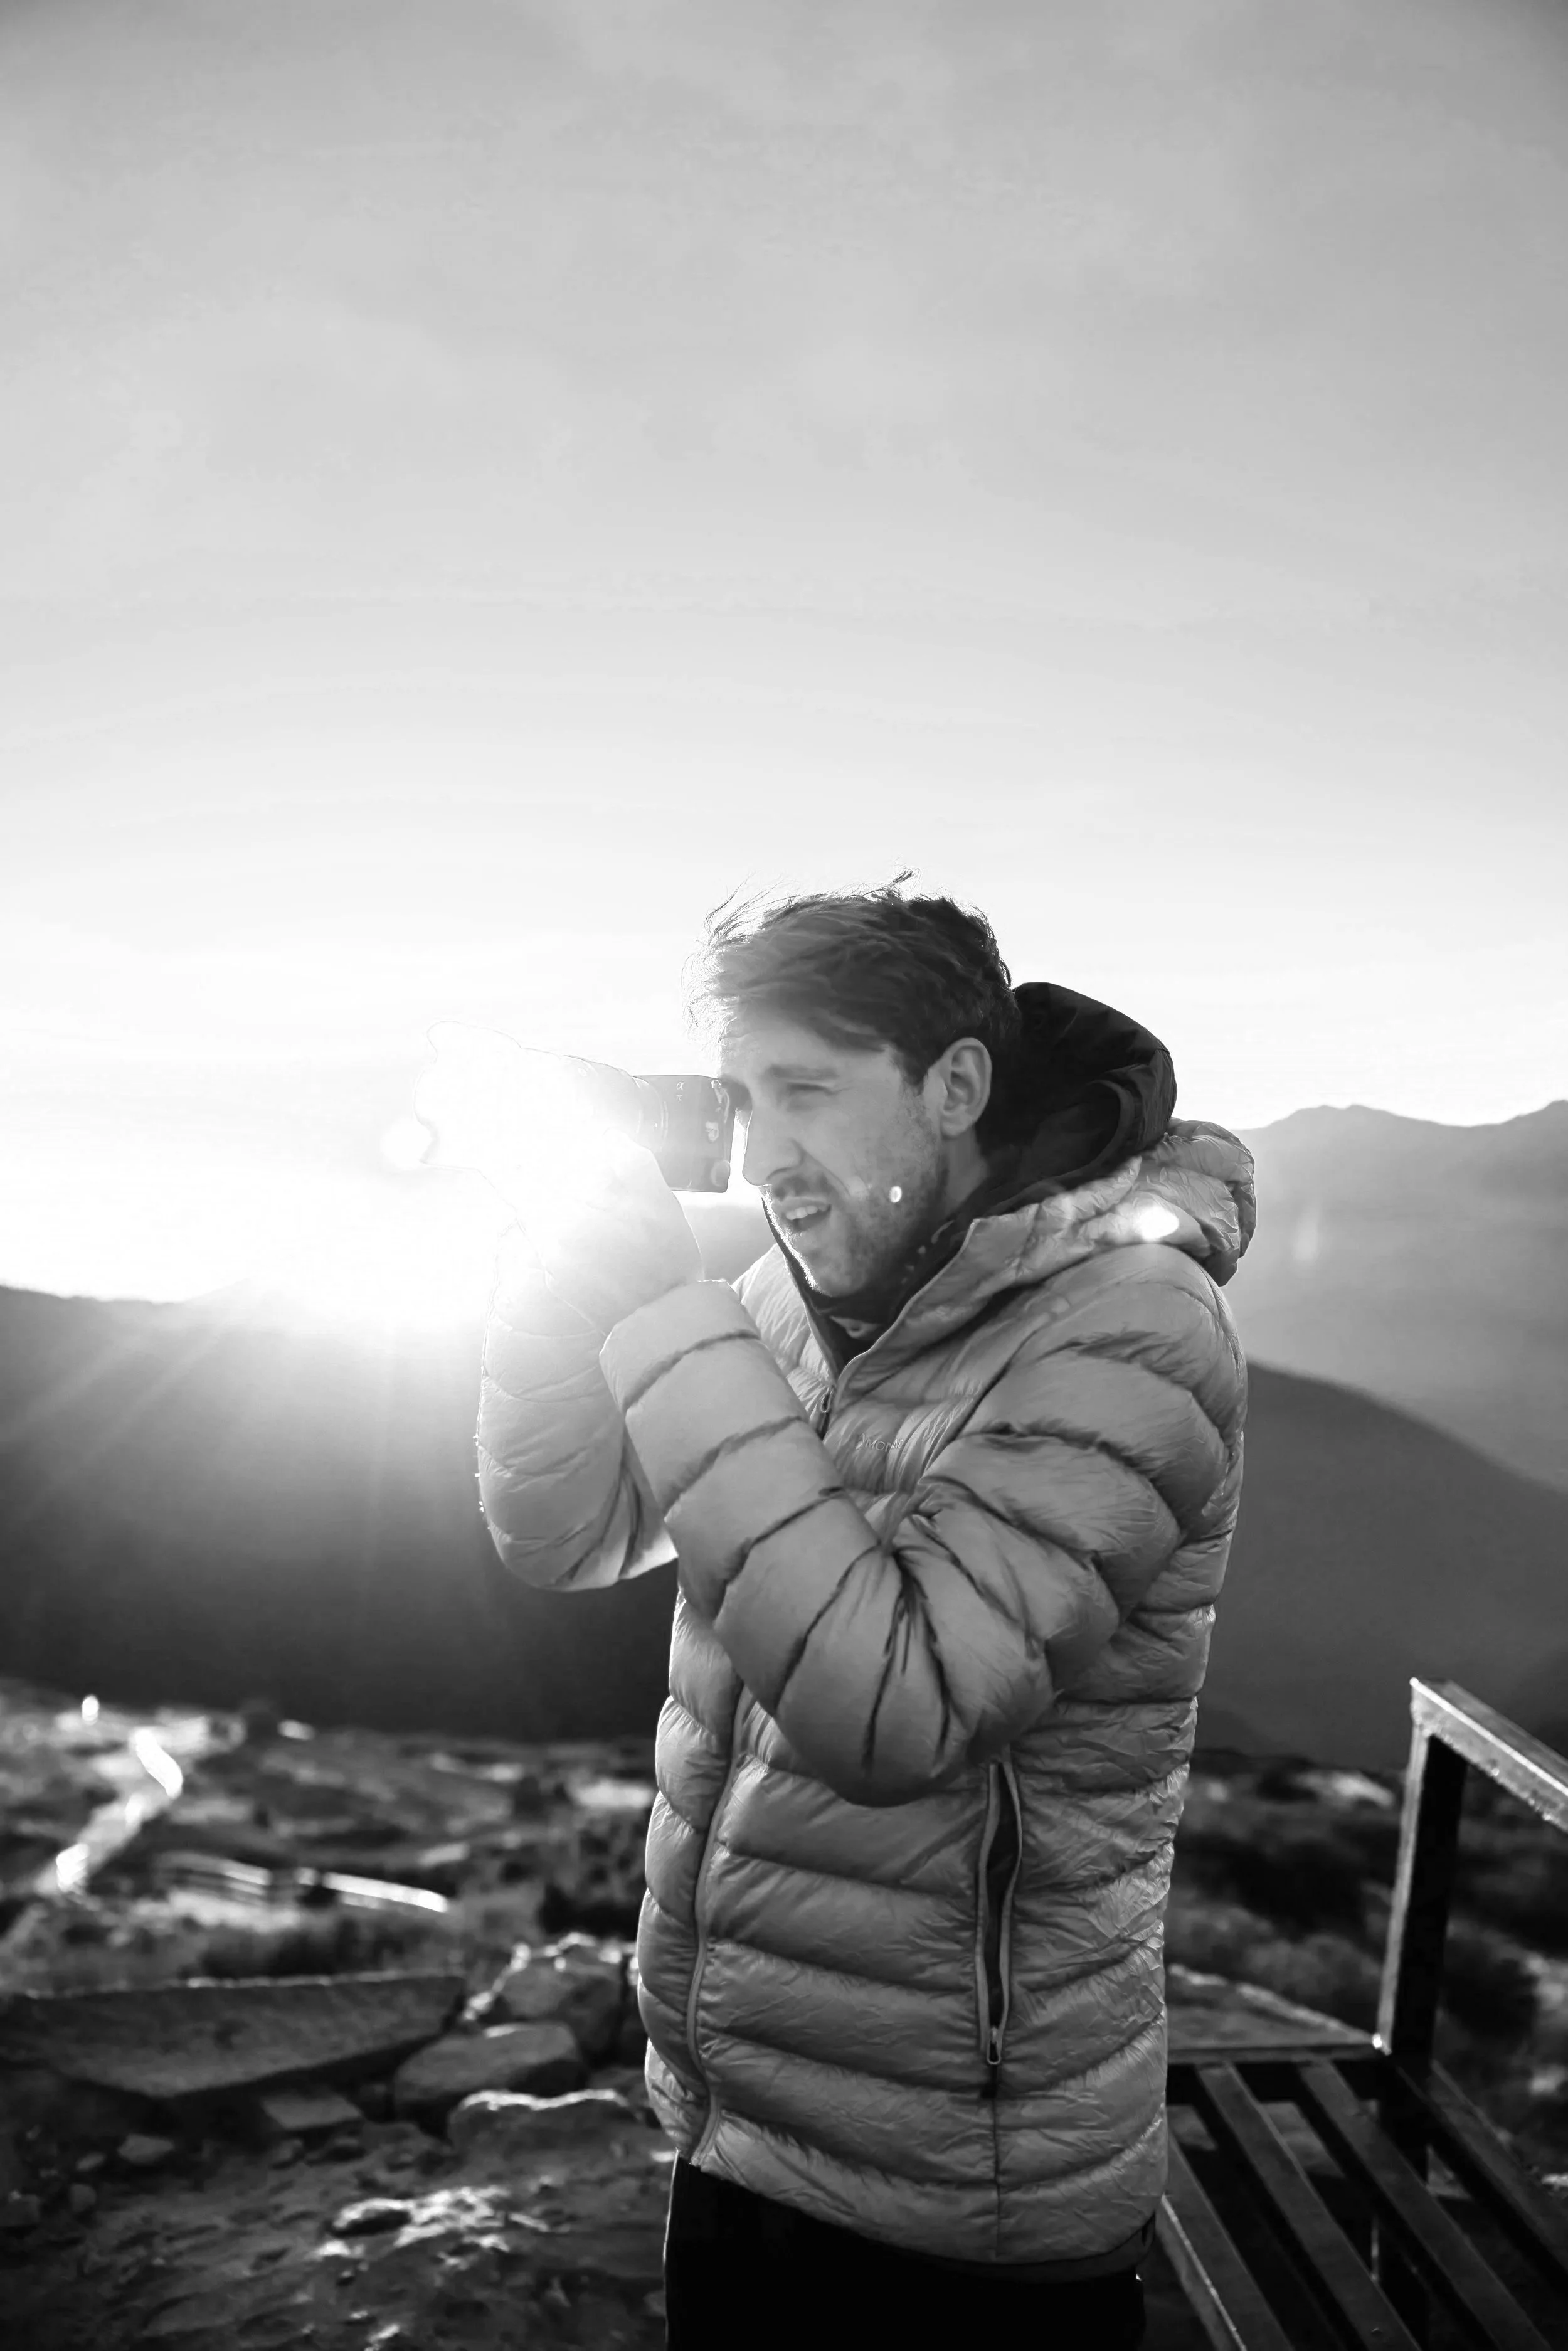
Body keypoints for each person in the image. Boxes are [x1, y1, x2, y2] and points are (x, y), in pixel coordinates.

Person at [475, 883, 1254, 2350]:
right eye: (739, 1097)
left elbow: (901, 1710)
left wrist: (664, 1312)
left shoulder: (1130, 1325)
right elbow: (563, 1531)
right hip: (741, 2123)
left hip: (959, 2197)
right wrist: (567, 1275)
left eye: (806, 1090)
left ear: (952, 1086)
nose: (761, 1151)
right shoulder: (788, 1297)